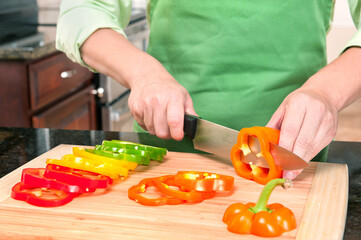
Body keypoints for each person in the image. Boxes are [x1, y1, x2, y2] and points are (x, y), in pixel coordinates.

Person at [56, 0, 361, 180]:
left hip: (293, 154)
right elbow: (83, 10)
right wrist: (144, 74)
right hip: (168, 150)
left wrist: (326, 93)